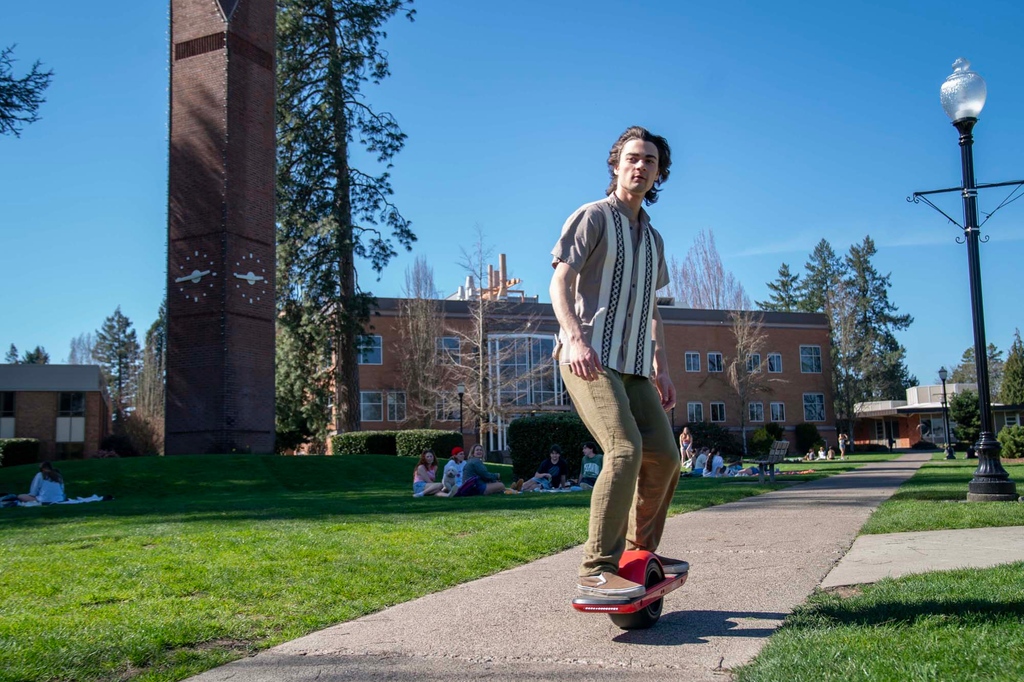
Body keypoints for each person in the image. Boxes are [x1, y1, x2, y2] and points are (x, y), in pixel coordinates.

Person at [550, 126, 686, 600]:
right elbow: (559, 283)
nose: (640, 166)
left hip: (633, 368)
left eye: (649, 161)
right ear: (616, 164)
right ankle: (596, 567)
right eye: (632, 158)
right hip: (588, 360)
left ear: (658, 173)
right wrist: (574, 338)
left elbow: (651, 311)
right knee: (624, 450)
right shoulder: (593, 217)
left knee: (667, 457)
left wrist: (662, 368)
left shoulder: (654, 240)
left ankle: (637, 552)